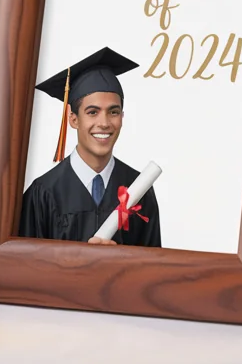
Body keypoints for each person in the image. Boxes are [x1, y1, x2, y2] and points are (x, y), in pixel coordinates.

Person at [19, 46, 162, 247]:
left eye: (113, 112)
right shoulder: (43, 193)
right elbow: (26, 264)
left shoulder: (139, 189)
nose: (104, 123)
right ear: (73, 119)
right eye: (93, 112)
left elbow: (151, 263)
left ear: (122, 117)